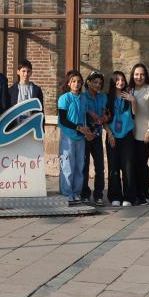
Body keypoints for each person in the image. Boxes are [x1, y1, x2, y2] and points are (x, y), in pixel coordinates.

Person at [56, 70, 93, 204]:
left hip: (81, 137)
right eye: (73, 81)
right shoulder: (64, 98)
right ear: (68, 83)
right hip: (68, 136)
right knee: (67, 165)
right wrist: (78, 128)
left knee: (79, 165)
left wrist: (88, 131)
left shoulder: (83, 98)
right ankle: (67, 193)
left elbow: (85, 117)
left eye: (78, 82)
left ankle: (76, 192)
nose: (76, 84)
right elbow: (63, 120)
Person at [105, 71, 135, 207]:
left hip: (127, 135)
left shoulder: (128, 96)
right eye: (117, 80)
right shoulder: (107, 98)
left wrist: (133, 100)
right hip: (112, 135)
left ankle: (128, 196)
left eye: (122, 80)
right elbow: (103, 119)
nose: (120, 82)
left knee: (128, 167)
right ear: (113, 82)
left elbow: (135, 113)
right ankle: (115, 196)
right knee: (113, 167)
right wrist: (109, 134)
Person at [129, 63, 149, 205]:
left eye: (142, 74)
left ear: (145, 76)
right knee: (135, 164)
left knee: (141, 163)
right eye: (136, 74)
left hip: (146, 134)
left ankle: (144, 194)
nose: (139, 77)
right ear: (132, 76)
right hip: (132, 134)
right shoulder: (130, 90)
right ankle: (136, 193)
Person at [79, 71, 107, 204]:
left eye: (100, 83)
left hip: (97, 134)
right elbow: (81, 113)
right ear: (88, 82)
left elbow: (107, 112)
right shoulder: (82, 96)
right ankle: (84, 194)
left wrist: (105, 117)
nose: (97, 85)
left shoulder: (103, 97)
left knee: (100, 166)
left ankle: (98, 195)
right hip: (85, 135)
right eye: (95, 82)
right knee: (84, 166)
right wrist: (90, 113)